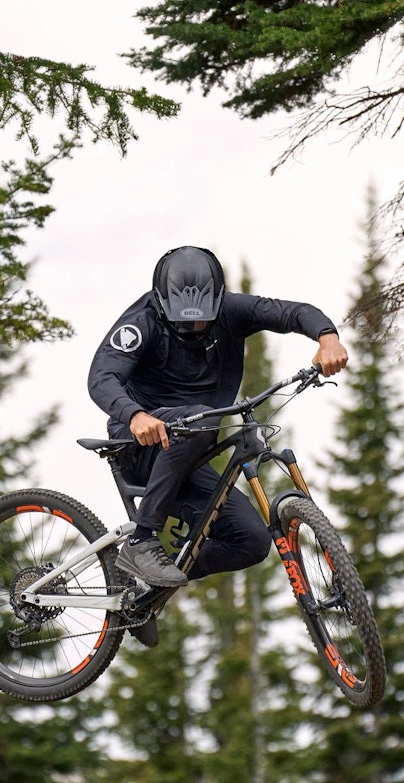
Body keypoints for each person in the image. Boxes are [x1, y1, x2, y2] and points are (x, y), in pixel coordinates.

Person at [88, 246, 348, 646]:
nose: (194, 331)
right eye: (183, 325)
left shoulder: (232, 310)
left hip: (190, 449)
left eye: (203, 322)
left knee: (251, 542)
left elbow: (291, 312)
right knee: (204, 420)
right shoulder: (140, 324)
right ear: (161, 304)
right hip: (139, 444)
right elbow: (101, 377)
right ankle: (142, 539)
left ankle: (144, 596)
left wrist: (327, 335)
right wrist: (135, 415)